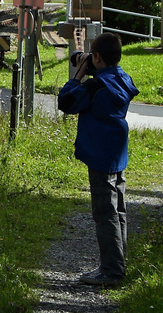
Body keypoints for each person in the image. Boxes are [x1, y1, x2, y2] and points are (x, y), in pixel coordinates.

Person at [57, 31, 138, 286]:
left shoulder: (94, 86)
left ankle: (111, 271)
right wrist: (92, 68)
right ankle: (117, 262)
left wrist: (79, 73)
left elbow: (66, 102)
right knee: (118, 208)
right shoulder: (122, 78)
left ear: (98, 57)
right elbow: (107, 81)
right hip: (117, 149)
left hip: (100, 151)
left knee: (104, 211)